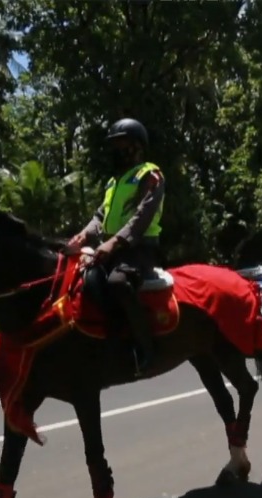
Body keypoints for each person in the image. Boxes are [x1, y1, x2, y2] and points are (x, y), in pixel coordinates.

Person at [67, 118, 165, 376]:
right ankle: (107, 339)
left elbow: (141, 218)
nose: (118, 150)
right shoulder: (114, 182)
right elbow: (100, 217)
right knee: (82, 281)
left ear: (137, 146)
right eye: (116, 145)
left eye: (123, 144)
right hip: (112, 249)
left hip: (139, 250)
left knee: (118, 283)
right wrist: (82, 236)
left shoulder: (151, 175)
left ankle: (146, 347)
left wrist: (112, 243)